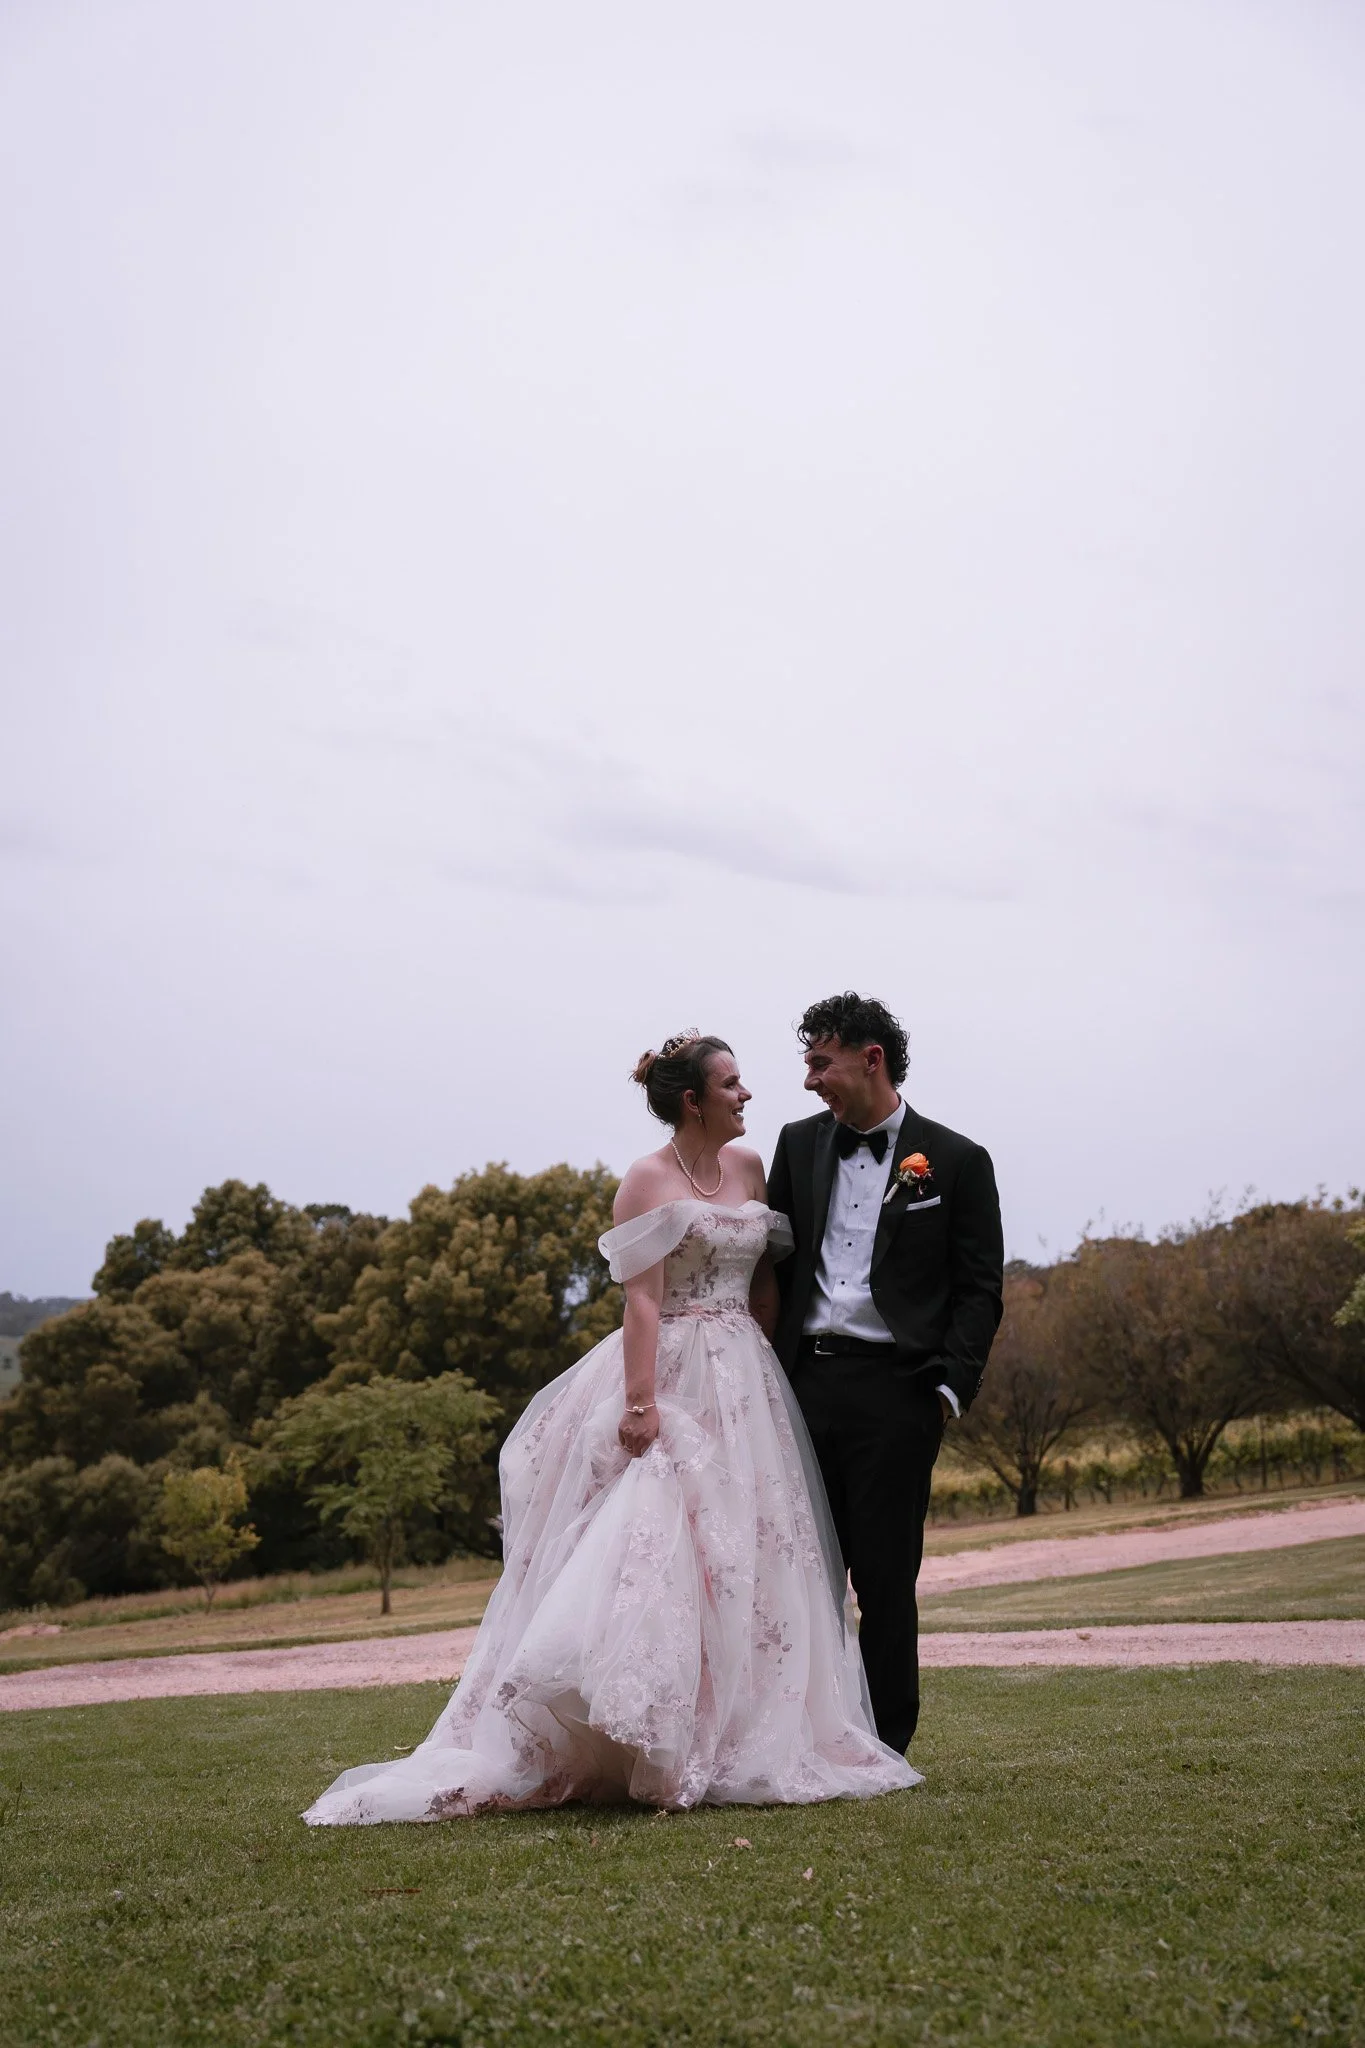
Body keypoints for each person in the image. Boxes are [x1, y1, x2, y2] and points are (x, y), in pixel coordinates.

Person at [303, 1031, 917, 1824]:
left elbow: (765, 1279)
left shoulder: (752, 1167)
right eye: (731, 1085)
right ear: (691, 1100)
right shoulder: (645, 1180)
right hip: (671, 1370)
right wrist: (638, 1404)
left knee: (756, 1548)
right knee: (661, 1541)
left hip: (749, 1376)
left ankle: (749, 1726)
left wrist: (770, 1371)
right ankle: (645, 1732)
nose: (747, 1095)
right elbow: (642, 1301)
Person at [767, 992, 1004, 1756]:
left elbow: (979, 1289)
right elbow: (771, 1270)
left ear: (870, 1059)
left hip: (896, 1395)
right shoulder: (796, 1146)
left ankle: (883, 1743)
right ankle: (801, 1733)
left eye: (819, 1063)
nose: (809, 1081)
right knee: (796, 1573)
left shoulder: (957, 1160)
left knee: (883, 1576)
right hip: (799, 1387)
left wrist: (944, 1389)